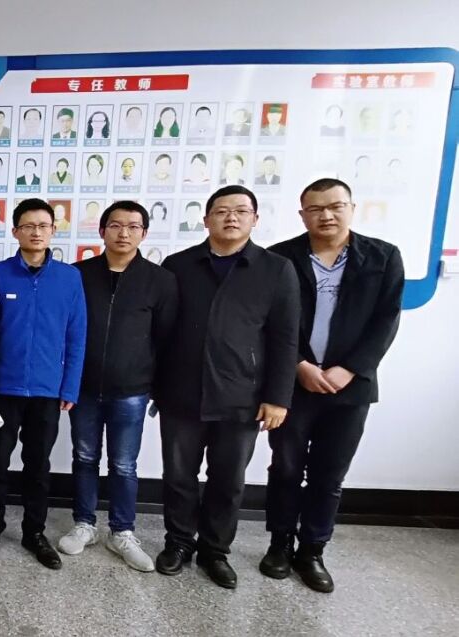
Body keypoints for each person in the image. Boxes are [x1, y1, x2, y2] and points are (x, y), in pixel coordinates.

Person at [155, 185, 301, 589]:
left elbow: (285, 338)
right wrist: (156, 387)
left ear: (255, 219)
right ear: (206, 220)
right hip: (182, 392)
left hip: (242, 396)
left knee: (228, 479)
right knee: (178, 476)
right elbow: (161, 331)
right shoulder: (179, 265)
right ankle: (178, 543)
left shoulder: (276, 269)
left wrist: (277, 397)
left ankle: (215, 551)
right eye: (221, 211)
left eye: (241, 211)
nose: (231, 218)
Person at [262, 178, 404, 593]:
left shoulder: (382, 257)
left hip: (350, 388)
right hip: (292, 384)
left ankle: (313, 550)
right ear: (302, 214)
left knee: (329, 474)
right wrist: (298, 364)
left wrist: (351, 369)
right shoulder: (281, 258)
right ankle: (279, 544)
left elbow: (386, 321)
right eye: (316, 208)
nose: (326, 215)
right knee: (286, 468)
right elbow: (269, 321)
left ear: (351, 209)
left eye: (335, 206)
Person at [60, 201, 177, 572]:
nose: (123, 233)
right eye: (115, 225)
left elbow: (166, 339)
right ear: (102, 231)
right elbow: (66, 330)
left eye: (133, 226)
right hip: (83, 387)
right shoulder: (78, 275)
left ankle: (122, 531)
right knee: (84, 457)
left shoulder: (160, 280)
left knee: (124, 464)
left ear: (144, 233)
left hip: (132, 389)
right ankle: (84, 524)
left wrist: (157, 386)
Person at [0, 198, 86, 567]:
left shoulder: (69, 278)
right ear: (15, 231)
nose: (36, 232)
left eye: (43, 226)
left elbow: (76, 337)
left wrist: (69, 387)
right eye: (28, 226)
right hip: (2, 390)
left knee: (38, 465)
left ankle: (34, 532)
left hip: (46, 391)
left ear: (53, 230)